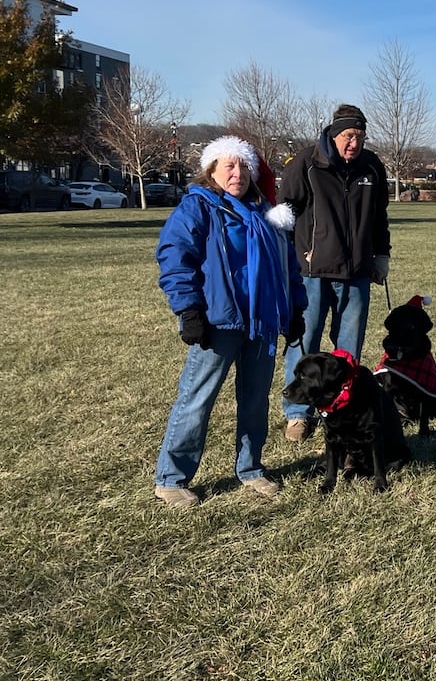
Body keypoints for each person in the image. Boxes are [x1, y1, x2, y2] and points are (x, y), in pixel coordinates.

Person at [153, 137, 307, 509]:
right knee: (197, 399)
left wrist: (295, 310)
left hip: (263, 323)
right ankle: (171, 478)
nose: (236, 173)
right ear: (212, 170)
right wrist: (188, 310)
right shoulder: (198, 207)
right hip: (218, 322)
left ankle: (251, 468)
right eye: (228, 166)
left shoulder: (266, 212)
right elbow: (175, 257)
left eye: (243, 166)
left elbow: (288, 268)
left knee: (254, 400)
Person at [280, 104, 392, 442]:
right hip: (312, 270)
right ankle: (298, 414)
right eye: (348, 135)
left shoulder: (372, 167)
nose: (354, 143)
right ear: (333, 133)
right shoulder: (307, 162)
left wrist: (382, 253)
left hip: (357, 271)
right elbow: (286, 211)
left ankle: (344, 408)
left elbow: (379, 216)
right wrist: (287, 260)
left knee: (349, 347)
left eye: (360, 136)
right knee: (305, 339)